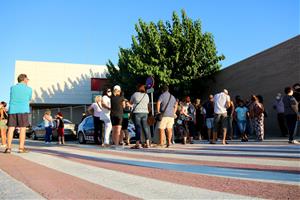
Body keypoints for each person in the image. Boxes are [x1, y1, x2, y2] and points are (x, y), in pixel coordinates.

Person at [4, 74, 32, 153]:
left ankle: (8, 148)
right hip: (23, 110)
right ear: (24, 80)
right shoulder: (29, 89)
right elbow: (29, 100)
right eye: (27, 79)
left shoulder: (12, 88)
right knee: (22, 129)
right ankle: (21, 148)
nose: (28, 81)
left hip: (12, 110)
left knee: (10, 129)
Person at [130, 84, 151, 149]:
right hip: (145, 113)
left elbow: (130, 102)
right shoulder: (146, 95)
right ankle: (147, 143)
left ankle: (137, 144)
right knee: (145, 128)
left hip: (137, 113)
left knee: (138, 128)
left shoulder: (135, 94)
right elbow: (147, 103)